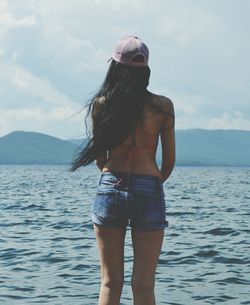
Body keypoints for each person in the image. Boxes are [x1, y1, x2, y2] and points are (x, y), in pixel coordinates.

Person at [70, 35, 175, 305]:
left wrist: (113, 175)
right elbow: (169, 162)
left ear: (115, 68)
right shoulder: (162, 107)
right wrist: (151, 182)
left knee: (109, 282)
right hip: (149, 187)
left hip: (110, 186)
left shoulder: (102, 105)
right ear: (146, 69)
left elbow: (99, 158)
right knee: (143, 285)